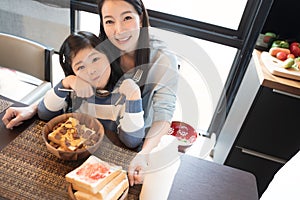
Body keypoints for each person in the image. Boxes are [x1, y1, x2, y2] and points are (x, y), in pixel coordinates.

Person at [97, 0, 179, 186]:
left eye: (126, 18)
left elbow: (163, 114)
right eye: (109, 21)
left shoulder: (162, 58)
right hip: (101, 136)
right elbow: (77, 84)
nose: (119, 30)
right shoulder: (100, 50)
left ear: (140, 19)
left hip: (139, 142)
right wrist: (34, 107)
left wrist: (145, 154)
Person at [37, 31, 145, 149]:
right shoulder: (73, 91)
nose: (91, 70)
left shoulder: (123, 94)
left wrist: (134, 96)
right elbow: (44, 113)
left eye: (95, 59)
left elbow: (132, 141)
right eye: (81, 67)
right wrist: (67, 82)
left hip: (106, 157)